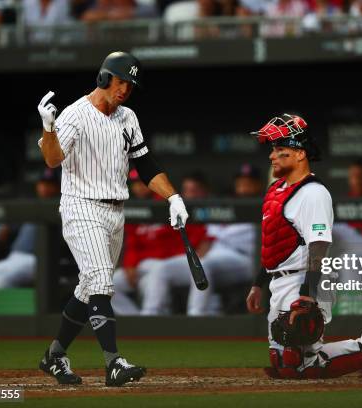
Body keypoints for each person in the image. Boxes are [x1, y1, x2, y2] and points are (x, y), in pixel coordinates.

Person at [36, 51, 189, 386]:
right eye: (121, 81)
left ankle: (54, 355)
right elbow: (52, 159)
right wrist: (49, 127)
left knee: (89, 287)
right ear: (104, 78)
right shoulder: (75, 115)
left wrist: (174, 197)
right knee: (103, 281)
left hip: (116, 210)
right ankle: (113, 363)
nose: (125, 90)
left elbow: (145, 164)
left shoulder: (128, 117)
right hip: (81, 206)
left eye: (130, 85)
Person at [246, 114, 362, 379]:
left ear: (300, 154)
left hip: (305, 278)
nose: (272, 156)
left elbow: (319, 245)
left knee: (300, 364)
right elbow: (275, 246)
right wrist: (258, 283)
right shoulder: (276, 190)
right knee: (282, 362)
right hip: (279, 281)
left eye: (280, 150)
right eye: (272, 149)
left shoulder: (313, 192)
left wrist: (308, 293)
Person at [185, 164, 262, 316]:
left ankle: (195, 316)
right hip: (215, 255)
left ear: (258, 185)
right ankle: (151, 317)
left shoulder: (265, 204)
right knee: (162, 269)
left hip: (246, 260)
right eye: (240, 183)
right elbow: (210, 234)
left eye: (248, 183)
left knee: (203, 266)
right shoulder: (227, 204)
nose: (243, 187)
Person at [138, 173, 213, 315]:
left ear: (204, 191)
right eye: (187, 190)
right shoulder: (178, 207)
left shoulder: (211, 207)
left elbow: (206, 239)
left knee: (160, 269)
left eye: (194, 190)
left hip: (202, 258)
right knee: (147, 278)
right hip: (177, 260)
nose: (189, 194)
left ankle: (194, 315)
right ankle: (151, 316)